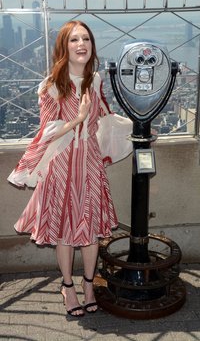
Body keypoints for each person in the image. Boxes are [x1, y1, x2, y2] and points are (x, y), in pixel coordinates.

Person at [8, 20, 132, 317]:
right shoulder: (51, 84)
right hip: (61, 166)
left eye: (86, 39)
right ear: (64, 47)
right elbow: (46, 132)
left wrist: (137, 131)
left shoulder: (96, 79)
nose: (81, 45)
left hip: (89, 163)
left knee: (89, 231)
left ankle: (88, 285)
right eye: (74, 40)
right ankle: (67, 286)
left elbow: (105, 118)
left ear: (92, 45)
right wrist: (78, 118)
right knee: (65, 231)